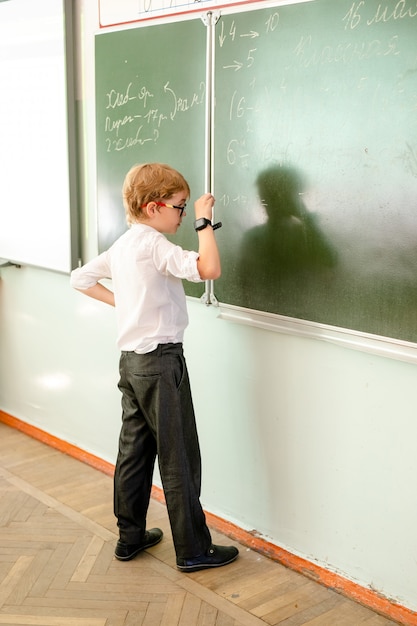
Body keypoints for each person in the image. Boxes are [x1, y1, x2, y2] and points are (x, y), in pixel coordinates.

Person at [70, 163, 238, 573]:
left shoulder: (125, 245)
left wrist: (124, 306)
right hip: (161, 364)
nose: (182, 215)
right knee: (178, 457)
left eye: (185, 209)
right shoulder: (154, 246)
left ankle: (130, 537)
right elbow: (208, 269)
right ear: (152, 207)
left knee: (134, 452)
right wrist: (204, 222)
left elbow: (80, 278)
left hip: (131, 364)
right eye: (179, 207)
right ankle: (193, 550)